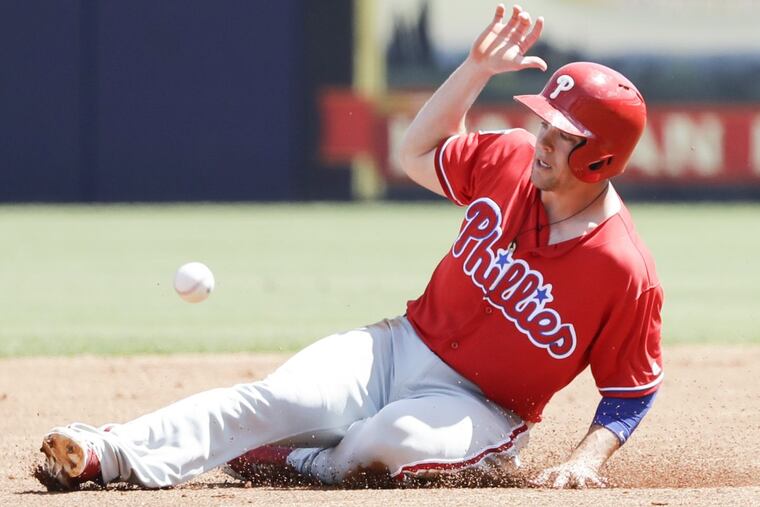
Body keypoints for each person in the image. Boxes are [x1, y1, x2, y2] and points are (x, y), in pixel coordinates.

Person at [38, 4, 662, 491]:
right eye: (545, 123)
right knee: (274, 400)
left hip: (484, 410)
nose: (543, 139)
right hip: (396, 346)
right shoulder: (508, 158)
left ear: (602, 157)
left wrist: (585, 461)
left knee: (381, 443)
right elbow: (415, 154)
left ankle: (308, 461)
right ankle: (107, 452)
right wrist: (473, 71)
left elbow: (631, 390)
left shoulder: (622, 268)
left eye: (564, 134)